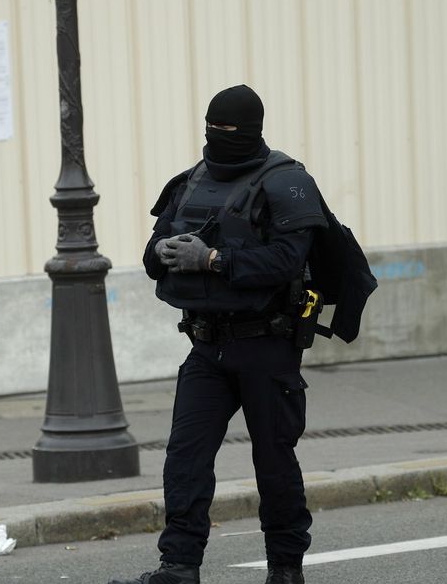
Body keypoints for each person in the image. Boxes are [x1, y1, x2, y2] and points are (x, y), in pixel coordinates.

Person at [108, 85, 328, 584]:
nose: (217, 137)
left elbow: (288, 260)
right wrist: (163, 251)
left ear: (252, 130)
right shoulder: (192, 180)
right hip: (207, 346)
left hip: (266, 345)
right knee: (185, 457)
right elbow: (150, 253)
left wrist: (212, 259)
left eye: (227, 130)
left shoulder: (288, 181)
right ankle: (180, 567)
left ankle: (285, 568)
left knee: (273, 460)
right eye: (211, 127)